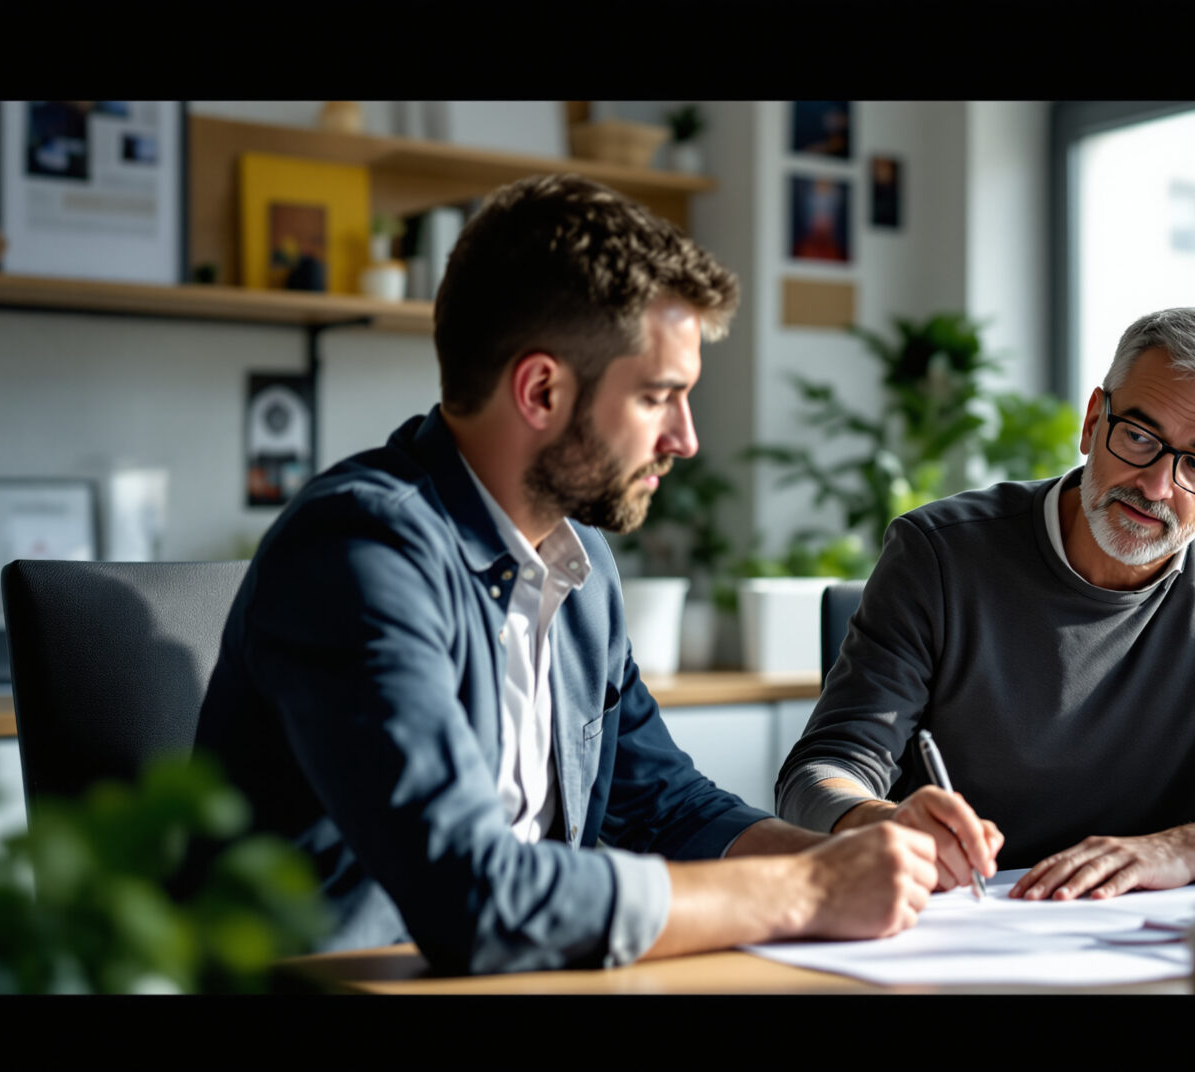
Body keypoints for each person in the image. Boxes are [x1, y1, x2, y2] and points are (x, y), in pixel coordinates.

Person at [195, 174, 937, 975]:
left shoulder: (577, 566)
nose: (685, 439)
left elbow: (660, 804)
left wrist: (857, 853)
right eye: (660, 397)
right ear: (541, 390)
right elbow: (474, 897)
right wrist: (804, 891)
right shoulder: (359, 553)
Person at [775, 306, 1195, 901]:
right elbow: (820, 774)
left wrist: (1191, 849)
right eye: (1138, 436)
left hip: (1168, 937)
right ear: (1092, 420)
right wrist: (880, 820)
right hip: (979, 921)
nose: (1157, 485)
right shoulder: (939, 554)